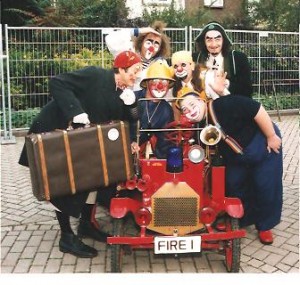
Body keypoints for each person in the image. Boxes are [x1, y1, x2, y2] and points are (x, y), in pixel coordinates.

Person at [18, 50, 142, 258]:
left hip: (81, 142)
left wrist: (131, 107)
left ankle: (85, 225)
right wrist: (75, 111)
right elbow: (57, 83)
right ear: (121, 68)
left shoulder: (121, 92)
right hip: (55, 131)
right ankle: (66, 237)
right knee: (62, 185)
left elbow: (129, 121)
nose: (136, 76)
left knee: (95, 179)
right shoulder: (95, 75)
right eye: (134, 71)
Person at [178, 94, 283, 245]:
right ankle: (241, 219)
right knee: (233, 184)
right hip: (236, 156)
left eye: (192, 105)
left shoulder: (225, 104)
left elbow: (258, 110)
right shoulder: (199, 125)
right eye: (185, 110)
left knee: (266, 185)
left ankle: (265, 226)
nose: (190, 111)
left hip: (262, 142)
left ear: (201, 101)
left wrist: (271, 136)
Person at [105, 21, 171, 93]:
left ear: (160, 49)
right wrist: (138, 31)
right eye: (148, 42)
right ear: (141, 42)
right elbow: (110, 39)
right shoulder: (129, 53)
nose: (151, 47)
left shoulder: (161, 64)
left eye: (156, 44)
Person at [192, 21, 253, 99]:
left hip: (230, 106)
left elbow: (248, 90)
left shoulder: (238, 59)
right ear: (204, 42)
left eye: (217, 39)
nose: (213, 45)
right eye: (209, 40)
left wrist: (227, 84)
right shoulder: (196, 58)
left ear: (224, 40)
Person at [136, 58, 176, 159]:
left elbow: (165, 143)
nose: (160, 85)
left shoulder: (166, 110)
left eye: (164, 81)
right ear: (147, 82)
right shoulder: (133, 99)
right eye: (156, 80)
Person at [171, 50, 206, 120]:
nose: (179, 69)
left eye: (183, 65)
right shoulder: (173, 85)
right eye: (175, 66)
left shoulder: (204, 78)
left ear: (192, 66)